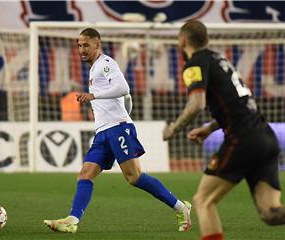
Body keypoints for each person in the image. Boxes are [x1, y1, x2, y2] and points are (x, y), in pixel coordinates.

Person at [44, 28, 192, 233]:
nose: (81, 49)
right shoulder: (94, 68)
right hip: (103, 132)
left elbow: (124, 88)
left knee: (134, 177)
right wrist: (123, 111)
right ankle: (72, 220)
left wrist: (95, 97)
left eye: (86, 44)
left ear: (97, 44)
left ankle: (181, 208)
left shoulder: (105, 64)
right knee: (85, 174)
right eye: (79, 45)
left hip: (117, 129)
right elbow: (125, 99)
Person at [162, 20, 285, 240]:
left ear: (182, 40)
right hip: (265, 136)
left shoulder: (195, 64)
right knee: (271, 214)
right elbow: (243, 102)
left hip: (243, 140)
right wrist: (210, 128)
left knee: (203, 201)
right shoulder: (220, 60)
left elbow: (196, 104)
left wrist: (173, 129)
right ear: (207, 40)